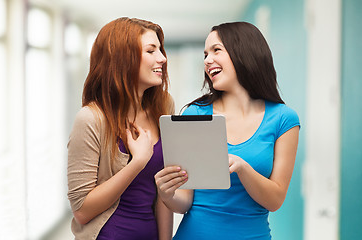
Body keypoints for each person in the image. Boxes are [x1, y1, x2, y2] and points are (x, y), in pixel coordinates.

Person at [155, 21, 300, 239]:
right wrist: (167, 194)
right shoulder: (195, 114)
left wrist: (242, 168)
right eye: (205, 54)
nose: (207, 60)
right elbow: (184, 201)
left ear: (244, 52)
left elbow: (275, 200)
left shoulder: (283, 119)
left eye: (216, 50)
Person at [67, 17, 174, 240]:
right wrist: (137, 163)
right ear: (123, 59)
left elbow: (165, 190)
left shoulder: (163, 106)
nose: (162, 58)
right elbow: (81, 211)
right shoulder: (90, 119)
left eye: (160, 50)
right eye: (151, 51)